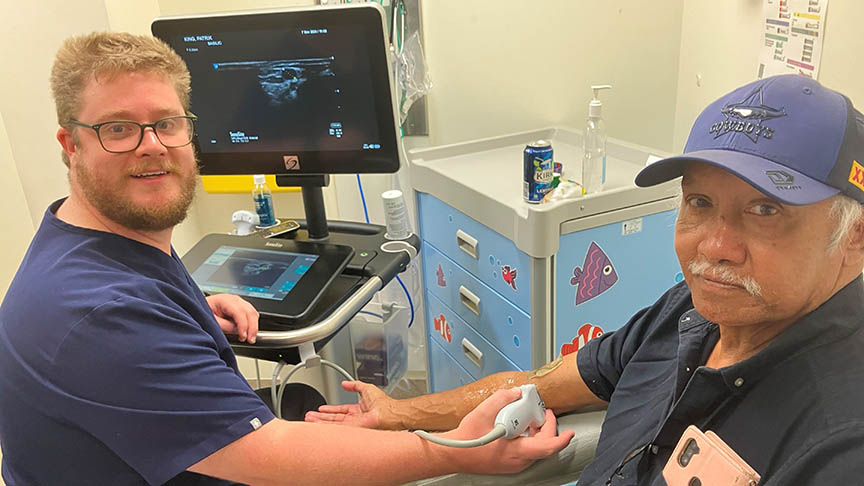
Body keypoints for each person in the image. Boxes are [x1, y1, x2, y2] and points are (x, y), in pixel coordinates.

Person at [0, 32, 573, 486]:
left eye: (167, 123)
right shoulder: (99, 316)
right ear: (69, 145)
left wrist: (190, 304)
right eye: (118, 129)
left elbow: (128, 309)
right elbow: (271, 458)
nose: (152, 145)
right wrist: (456, 452)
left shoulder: (97, 243)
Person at [307, 74, 864, 485]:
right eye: (699, 202)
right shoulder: (689, 313)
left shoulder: (838, 441)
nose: (714, 248)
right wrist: (396, 417)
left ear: (855, 234)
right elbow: (541, 384)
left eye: (765, 211)